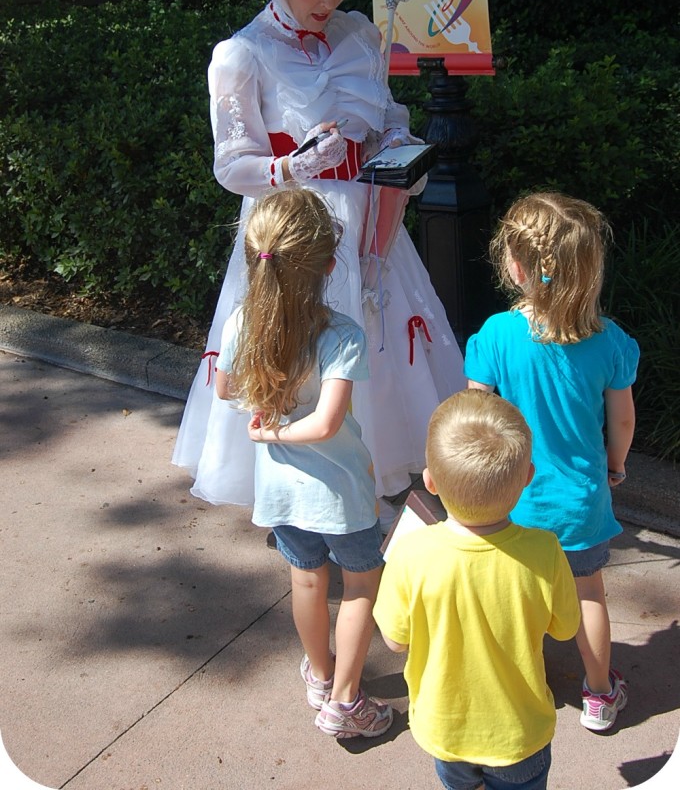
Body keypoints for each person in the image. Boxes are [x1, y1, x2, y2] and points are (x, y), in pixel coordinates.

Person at [172, 0, 464, 520]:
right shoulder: (239, 55)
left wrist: (401, 152)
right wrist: (289, 166)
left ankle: (381, 480)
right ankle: (305, 492)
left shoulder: (361, 36)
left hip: (371, 223)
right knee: (299, 351)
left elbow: (388, 117)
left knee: (382, 348)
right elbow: (230, 164)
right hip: (295, 231)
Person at [214, 187, 392, 739]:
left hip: (281, 494)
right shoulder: (342, 335)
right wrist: (284, 429)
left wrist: (265, 426)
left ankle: (319, 675)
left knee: (307, 581)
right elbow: (327, 425)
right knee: (362, 584)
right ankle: (345, 701)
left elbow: (223, 387)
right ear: (329, 263)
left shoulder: (242, 321)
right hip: (342, 493)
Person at [465, 191, 640, 733]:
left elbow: (476, 415)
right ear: (589, 269)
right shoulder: (610, 342)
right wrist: (614, 467)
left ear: (514, 266)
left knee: (515, 600)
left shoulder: (495, 335)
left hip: (512, 500)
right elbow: (623, 422)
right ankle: (599, 693)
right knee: (588, 593)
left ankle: (521, 687)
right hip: (580, 501)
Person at [374, 389, 580, 790]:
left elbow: (395, 641)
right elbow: (566, 628)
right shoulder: (545, 551)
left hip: (446, 731)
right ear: (527, 479)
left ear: (430, 482)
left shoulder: (411, 552)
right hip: (520, 734)